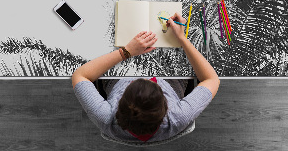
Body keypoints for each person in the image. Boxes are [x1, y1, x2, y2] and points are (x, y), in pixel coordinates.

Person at [72, 13, 220, 143]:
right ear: (166, 108)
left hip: (117, 78)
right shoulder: (178, 117)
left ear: (120, 104)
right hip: (172, 80)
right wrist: (182, 38)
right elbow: (212, 79)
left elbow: (79, 75)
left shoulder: (106, 118)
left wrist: (126, 52)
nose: (147, 77)